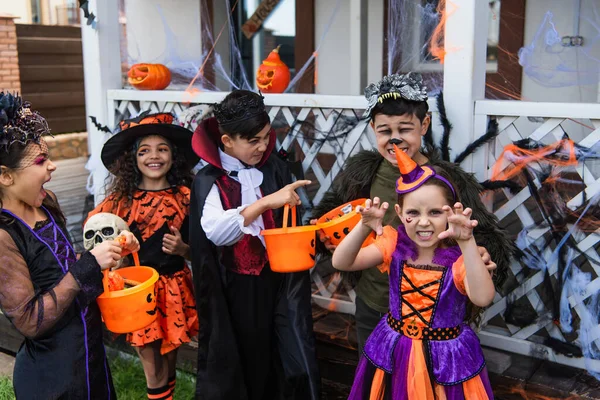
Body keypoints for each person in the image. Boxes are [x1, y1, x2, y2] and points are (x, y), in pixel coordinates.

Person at [311, 73, 513, 354]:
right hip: (374, 301)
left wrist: (483, 253)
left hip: (430, 314)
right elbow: (336, 210)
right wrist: (322, 232)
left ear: (424, 124)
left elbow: (481, 233)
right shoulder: (363, 172)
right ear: (373, 129)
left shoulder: (444, 180)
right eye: (385, 131)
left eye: (405, 129)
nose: (395, 138)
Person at [0, 92, 139, 398]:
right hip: (52, 376)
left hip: (87, 353)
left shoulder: (46, 203)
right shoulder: (4, 235)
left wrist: (111, 253)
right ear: (6, 177)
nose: (52, 167)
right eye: (40, 161)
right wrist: (88, 264)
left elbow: (62, 265)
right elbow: (30, 320)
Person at [332, 147, 495, 398]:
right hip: (396, 352)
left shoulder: (463, 261)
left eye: (435, 212)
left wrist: (467, 243)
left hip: (444, 361)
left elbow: (483, 298)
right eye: (413, 212)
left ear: (450, 212)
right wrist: (364, 228)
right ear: (399, 214)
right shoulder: (392, 245)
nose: (423, 222)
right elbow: (342, 262)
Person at [189, 90, 320, 400]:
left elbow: (289, 218)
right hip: (236, 286)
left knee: (284, 351)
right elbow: (218, 233)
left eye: (266, 137)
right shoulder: (210, 180)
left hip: (279, 280)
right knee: (247, 355)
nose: (263, 146)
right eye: (253, 141)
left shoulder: (273, 167)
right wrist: (263, 204)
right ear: (227, 142)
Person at [86, 112, 199, 400]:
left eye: (162, 149)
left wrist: (184, 249)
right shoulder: (120, 202)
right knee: (152, 363)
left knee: (170, 359)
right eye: (144, 150)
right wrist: (119, 253)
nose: (154, 156)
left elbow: (205, 247)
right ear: (132, 159)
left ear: (173, 155)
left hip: (175, 287)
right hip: (137, 291)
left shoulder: (187, 196)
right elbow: (95, 239)